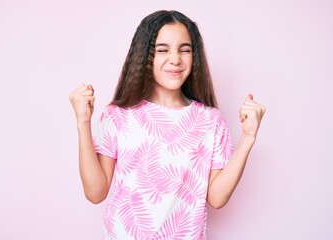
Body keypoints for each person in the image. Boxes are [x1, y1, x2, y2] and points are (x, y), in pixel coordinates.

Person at [69, 10, 265, 240]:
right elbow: (95, 192)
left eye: (185, 49)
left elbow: (217, 198)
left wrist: (248, 138)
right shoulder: (118, 116)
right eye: (163, 49)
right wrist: (83, 123)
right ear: (145, 56)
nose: (176, 58)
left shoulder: (210, 121)